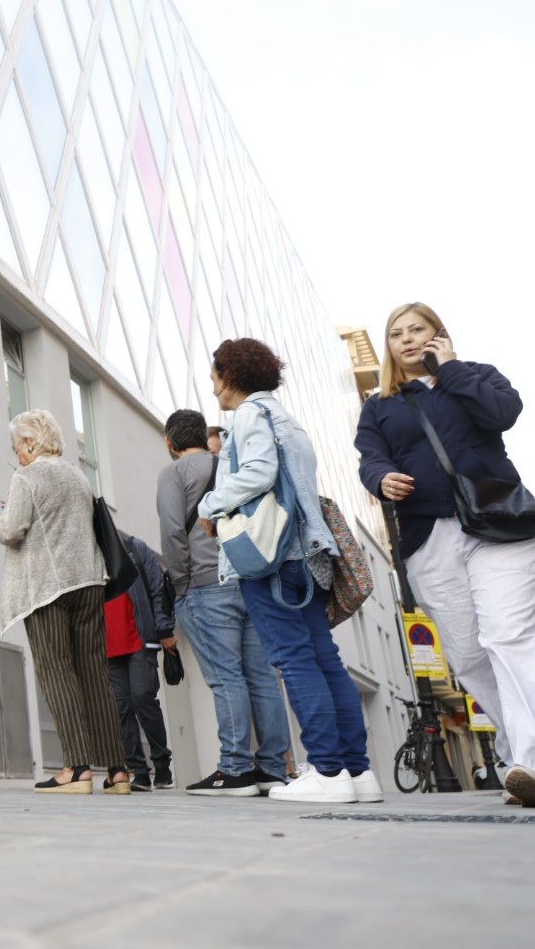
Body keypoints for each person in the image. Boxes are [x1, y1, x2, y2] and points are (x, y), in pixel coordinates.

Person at [355, 303, 535, 806]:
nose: (407, 339)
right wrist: (380, 479)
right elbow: (370, 458)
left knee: (509, 633)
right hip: (429, 535)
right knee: (469, 654)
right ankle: (517, 745)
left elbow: (504, 414)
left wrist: (450, 369)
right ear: (389, 347)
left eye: (418, 329)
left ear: (439, 334)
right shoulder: (380, 406)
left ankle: (529, 759)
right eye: (396, 334)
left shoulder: (474, 376)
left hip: (498, 521)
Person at [199, 338, 380, 804]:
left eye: (216, 376)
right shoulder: (288, 418)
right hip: (308, 552)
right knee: (323, 657)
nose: (214, 387)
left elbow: (258, 472)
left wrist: (210, 504)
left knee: (294, 659)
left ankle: (327, 771)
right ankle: (358, 774)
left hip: (272, 556)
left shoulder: (249, 416)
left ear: (231, 375)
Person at [157, 408, 290, 797]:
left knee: (225, 677)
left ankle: (234, 769)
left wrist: (181, 585)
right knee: (263, 677)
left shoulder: (173, 473)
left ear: (170, 441)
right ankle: (270, 769)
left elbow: (171, 532)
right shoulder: (230, 465)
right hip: (248, 578)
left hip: (204, 585)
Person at [0, 410, 128, 795]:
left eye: (17, 445)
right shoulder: (77, 475)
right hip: (88, 581)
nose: (16, 453)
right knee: (93, 673)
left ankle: (76, 767)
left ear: (30, 443)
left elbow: (13, 529)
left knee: (57, 670)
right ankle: (118, 771)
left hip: (48, 587)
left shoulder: (28, 476)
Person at [104, 534, 174, 791]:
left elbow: (158, 589)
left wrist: (164, 629)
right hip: (107, 645)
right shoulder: (86, 552)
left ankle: (162, 766)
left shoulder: (134, 548)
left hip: (140, 639)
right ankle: (139, 771)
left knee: (142, 698)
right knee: (120, 708)